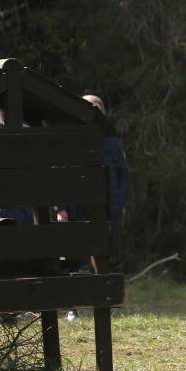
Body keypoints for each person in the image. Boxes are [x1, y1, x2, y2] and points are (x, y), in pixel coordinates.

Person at [81, 94, 130, 269]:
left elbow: (123, 173)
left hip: (111, 209)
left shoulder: (113, 143)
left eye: (97, 108)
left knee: (110, 254)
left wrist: (119, 203)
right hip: (84, 210)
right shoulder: (75, 142)